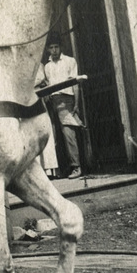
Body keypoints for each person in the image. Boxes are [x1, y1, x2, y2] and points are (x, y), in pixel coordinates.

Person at [36, 41, 83, 179]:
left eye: (56, 47)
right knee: (56, 135)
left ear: (61, 47)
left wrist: (76, 104)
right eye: (51, 47)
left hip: (66, 100)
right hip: (52, 101)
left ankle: (77, 167)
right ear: (47, 49)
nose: (54, 50)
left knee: (69, 133)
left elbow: (75, 83)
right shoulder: (48, 66)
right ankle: (63, 168)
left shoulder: (69, 61)